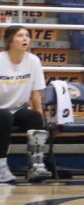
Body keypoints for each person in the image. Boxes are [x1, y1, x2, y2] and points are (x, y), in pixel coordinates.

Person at [0, 25, 50, 182]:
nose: (25, 39)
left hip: (19, 108)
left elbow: (36, 94)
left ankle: (36, 165)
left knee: (34, 117)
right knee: (5, 117)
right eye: (20, 35)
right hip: (1, 109)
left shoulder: (33, 61)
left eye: (27, 35)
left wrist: (41, 121)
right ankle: (1, 167)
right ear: (10, 41)